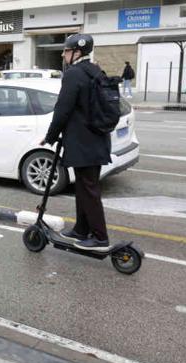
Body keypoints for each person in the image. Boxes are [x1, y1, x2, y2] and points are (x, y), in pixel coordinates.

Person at [40, 34, 112, 251]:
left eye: (66, 51)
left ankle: (100, 238)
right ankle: (81, 229)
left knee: (88, 189)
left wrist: (50, 136)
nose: (63, 54)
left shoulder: (74, 74)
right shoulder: (94, 70)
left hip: (84, 143)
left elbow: (63, 109)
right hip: (95, 140)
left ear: (77, 53)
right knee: (83, 187)